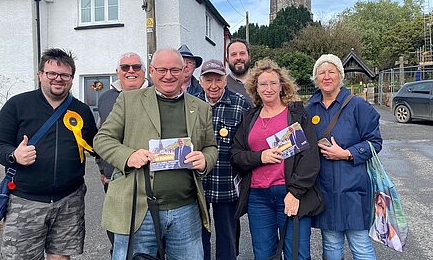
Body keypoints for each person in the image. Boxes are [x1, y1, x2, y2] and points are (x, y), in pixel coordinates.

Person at [93, 48, 218, 260]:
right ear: (151, 71)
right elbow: (102, 139)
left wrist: (205, 160)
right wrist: (128, 156)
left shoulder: (201, 107)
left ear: (184, 71)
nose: (168, 75)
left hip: (185, 209)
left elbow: (211, 147)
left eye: (174, 70)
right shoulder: (128, 100)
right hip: (138, 208)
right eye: (162, 69)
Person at [0, 48, 97, 260]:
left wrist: (107, 171)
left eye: (65, 75)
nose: (58, 79)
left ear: (72, 78)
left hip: (69, 200)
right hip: (25, 201)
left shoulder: (82, 111)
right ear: (40, 75)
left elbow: (96, 145)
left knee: (61, 257)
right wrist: (14, 155)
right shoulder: (17, 105)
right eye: (51, 73)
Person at [231, 58, 323, 260]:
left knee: (296, 254)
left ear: (282, 86)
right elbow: (236, 155)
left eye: (273, 83)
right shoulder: (250, 117)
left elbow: (310, 157)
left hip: (290, 194)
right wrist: (260, 157)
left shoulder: (296, 114)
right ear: (256, 87)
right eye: (263, 84)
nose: (268, 88)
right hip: (258, 198)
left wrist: (295, 192)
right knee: (263, 255)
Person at [305, 54, 382, 260]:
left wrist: (347, 153)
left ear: (340, 75)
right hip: (325, 188)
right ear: (316, 78)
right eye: (322, 72)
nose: (327, 76)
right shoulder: (309, 108)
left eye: (332, 71)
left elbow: (375, 142)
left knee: (360, 245)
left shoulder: (358, 105)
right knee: (331, 245)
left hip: (353, 188)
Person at [96, 52, 150, 254]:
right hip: (114, 176)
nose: (131, 71)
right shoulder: (106, 98)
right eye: (125, 67)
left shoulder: (157, 94)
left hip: (148, 177)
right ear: (117, 72)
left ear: (144, 71)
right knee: (117, 231)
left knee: (148, 236)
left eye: (136, 67)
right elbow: (101, 135)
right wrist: (101, 167)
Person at [195, 59, 250, 260]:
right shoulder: (191, 103)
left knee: (227, 235)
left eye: (218, 79)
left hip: (226, 182)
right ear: (200, 81)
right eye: (208, 80)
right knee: (199, 234)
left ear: (225, 80)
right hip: (197, 183)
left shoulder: (240, 104)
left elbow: (248, 144)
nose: (213, 85)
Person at [226, 38, 253, 106]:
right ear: (227, 59)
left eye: (242, 53)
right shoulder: (223, 85)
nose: (238, 58)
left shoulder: (262, 82)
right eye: (234, 54)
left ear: (249, 56)